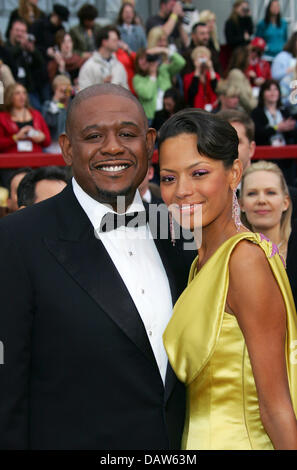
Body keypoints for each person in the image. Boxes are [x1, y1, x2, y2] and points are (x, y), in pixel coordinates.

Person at [0, 83, 194, 449]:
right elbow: (6, 392)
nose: (113, 147)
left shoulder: (179, 231)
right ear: (67, 149)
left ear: (150, 142)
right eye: (93, 136)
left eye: (127, 133)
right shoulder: (15, 241)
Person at [158, 108, 297, 450]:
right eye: (168, 177)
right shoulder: (202, 262)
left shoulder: (244, 261)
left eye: (199, 172)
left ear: (235, 172)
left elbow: (276, 406)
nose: (181, 191)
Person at [240, 160, 291, 263]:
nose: (261, 200)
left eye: (270, 193)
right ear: (241, 205)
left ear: (285, 203)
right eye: (252, 193)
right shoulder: (228, 253)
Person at [133, 45, 185, 123]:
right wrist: (152, 75)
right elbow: (147, 94)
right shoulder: (137, 78)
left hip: (168, 115)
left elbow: (181, 62)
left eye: (146, 58)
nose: (143, 61)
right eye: (140, 59)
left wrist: (162, 50)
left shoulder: (163, 70)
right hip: (150, 119)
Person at [78, 25, 128, 91]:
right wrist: (102, 87)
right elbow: (83, 94)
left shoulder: (119, 66)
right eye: (114, 40)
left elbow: (127, 94)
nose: (118, 43)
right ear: (104, 42)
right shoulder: (89, 66)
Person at [217, 109, 255, 173]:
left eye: (236, 142)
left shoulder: (268, 182)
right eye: (221, 141)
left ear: (251, 149)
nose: (229, 148)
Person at [42, 75, 73, 153]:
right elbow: (50, 123)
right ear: (55, 90)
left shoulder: (74, 105)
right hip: (54, 147)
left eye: (67, 90)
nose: (65, 93)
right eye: (61, 90)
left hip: (71, 146)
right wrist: (56, 100)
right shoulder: (48, 105)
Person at [183, 46, 220, 111]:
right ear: (194, 61)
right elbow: (190, 95)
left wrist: (211, 68)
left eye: (205, 57)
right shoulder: (188, 77)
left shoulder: (214, 75)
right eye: (200, 58)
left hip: (214, 107)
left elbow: (217, 90)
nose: (203, 61)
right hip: (197, 109)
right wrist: (197, 69)